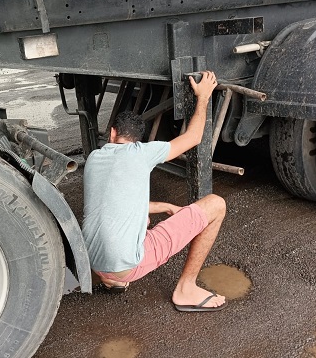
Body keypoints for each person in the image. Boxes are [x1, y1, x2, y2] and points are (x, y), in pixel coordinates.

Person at [82, 71, 226, 312]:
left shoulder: (95, 158)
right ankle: (186, 289)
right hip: (122, 266)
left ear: (113, 133)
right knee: (216, 205)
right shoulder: (142, 152)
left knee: (138, 219)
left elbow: (119, 203)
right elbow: (194, 137)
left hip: (92, 260)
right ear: (138, 140)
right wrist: (203, 97)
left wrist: (167, 207)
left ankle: (110, 278)